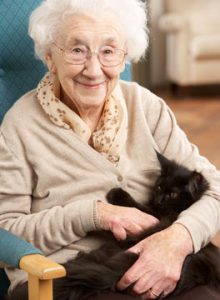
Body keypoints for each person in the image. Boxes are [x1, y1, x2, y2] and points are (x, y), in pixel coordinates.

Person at [0, 0, 220, 299]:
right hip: (69, 277)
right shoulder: (19, 126)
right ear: (50, 56)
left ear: (125, 56)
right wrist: (93, 215)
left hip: (160, 259)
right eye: (77, 50)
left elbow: (213, 188)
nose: (94, 70)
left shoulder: (146, 106)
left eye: (108, 51)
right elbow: (6, 231)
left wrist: (179, 239)